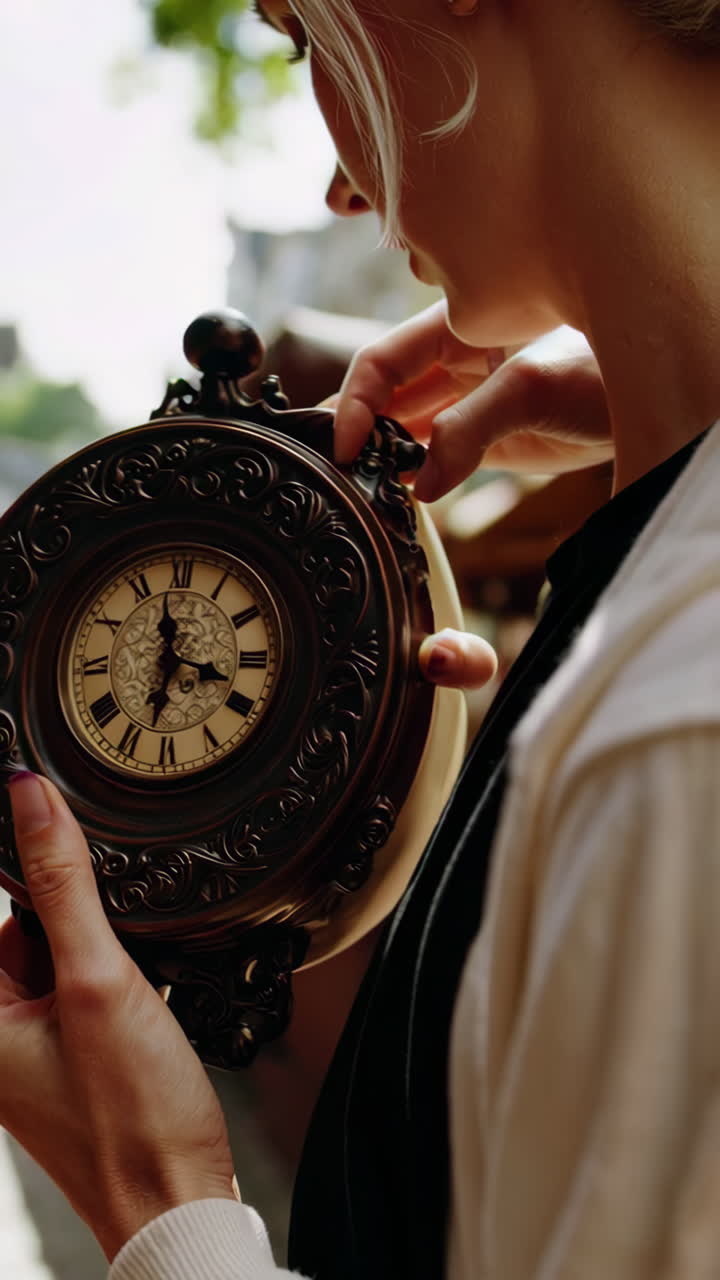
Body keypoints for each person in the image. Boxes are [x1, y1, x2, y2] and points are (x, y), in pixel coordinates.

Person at [2, 0, 720, 1276]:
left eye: (300, 38)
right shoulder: (661, 622)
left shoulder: (681, 720)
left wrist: (161, 1202)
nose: (341, 185)